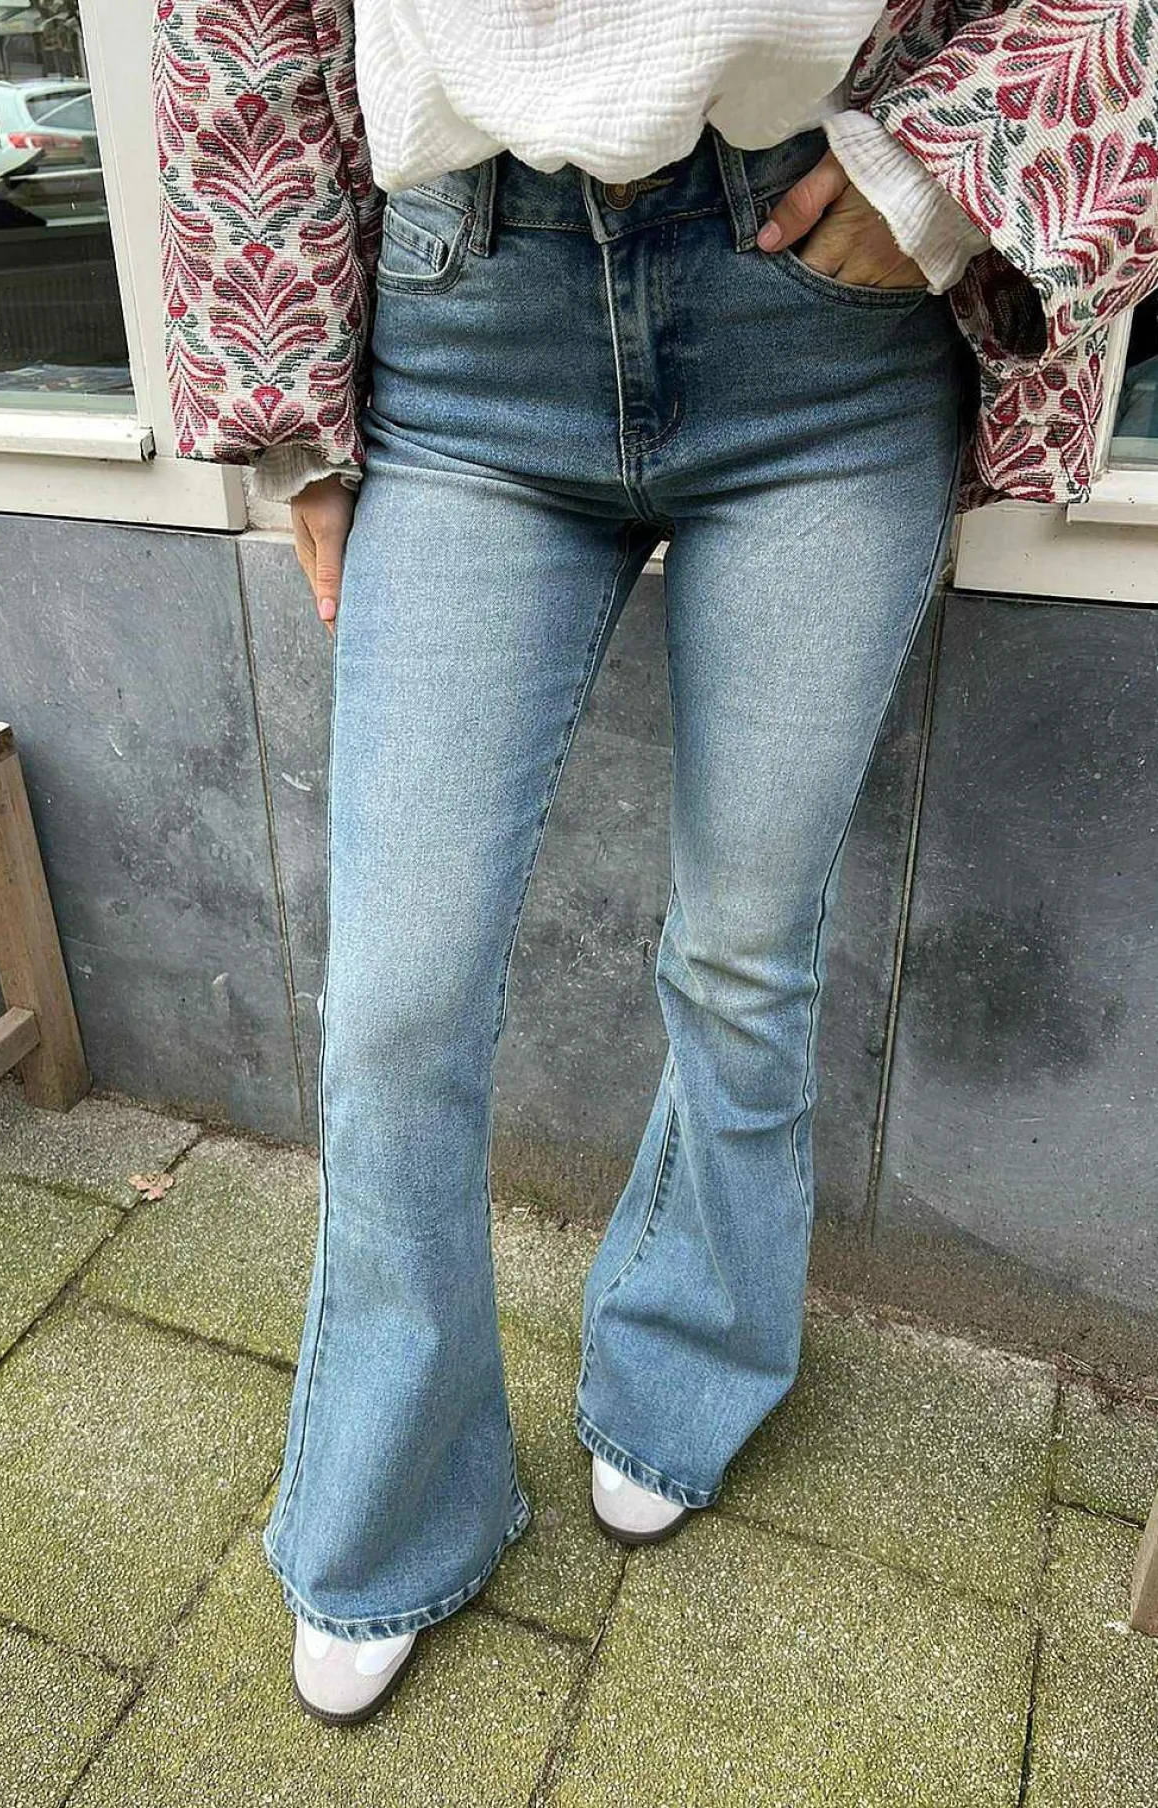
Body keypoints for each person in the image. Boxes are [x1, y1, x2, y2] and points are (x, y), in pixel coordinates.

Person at [150, 0, 1158, 1725]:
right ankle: (391, 1501)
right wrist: (292, 408)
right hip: (467, 335)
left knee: (749, 944)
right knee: (396, 1002)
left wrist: (937, 184)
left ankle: (685, 1365)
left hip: (823, 328)